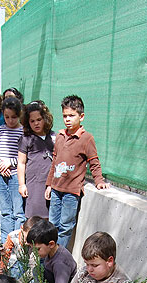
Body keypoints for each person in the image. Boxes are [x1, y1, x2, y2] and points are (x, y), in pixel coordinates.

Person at [45, 95, 109, 248]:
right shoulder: (60, 137)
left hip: (71, 193)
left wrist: (99, 181)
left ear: (81, 117)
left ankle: (58, 258)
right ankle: (49, 258)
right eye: (65, 116)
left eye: (72, 116)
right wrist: (49, 185)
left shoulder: (87, 139)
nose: (67, 119)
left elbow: (93, 161)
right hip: (55, 189)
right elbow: (54, 162)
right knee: (52, 226)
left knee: (65, 227)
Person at [0, 96, 24, 243]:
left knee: (18, 212)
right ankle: (6, 243)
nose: (10, 120)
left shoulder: (22, 132)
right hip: (0, 175)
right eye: (7, 117)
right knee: (5, 211)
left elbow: (24, 156)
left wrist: (10, 163)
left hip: (16, 175)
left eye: (14, 117)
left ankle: (17, 242)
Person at [26, 219, 77, 283]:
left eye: (37, 249)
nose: (35, 253)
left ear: (51, 244)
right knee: (37, 270)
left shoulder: (61, 262)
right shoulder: (50, 252)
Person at [18, 101, 55, 219]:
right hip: (34, 184)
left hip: (50, 183)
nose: (36, 123)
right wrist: (22, 184)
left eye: (39, 119)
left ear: (45, 118)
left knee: (49, 216)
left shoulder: (54, 137)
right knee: (34, 217)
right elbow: (21, 162)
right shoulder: (26, 139)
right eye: (32, 121)